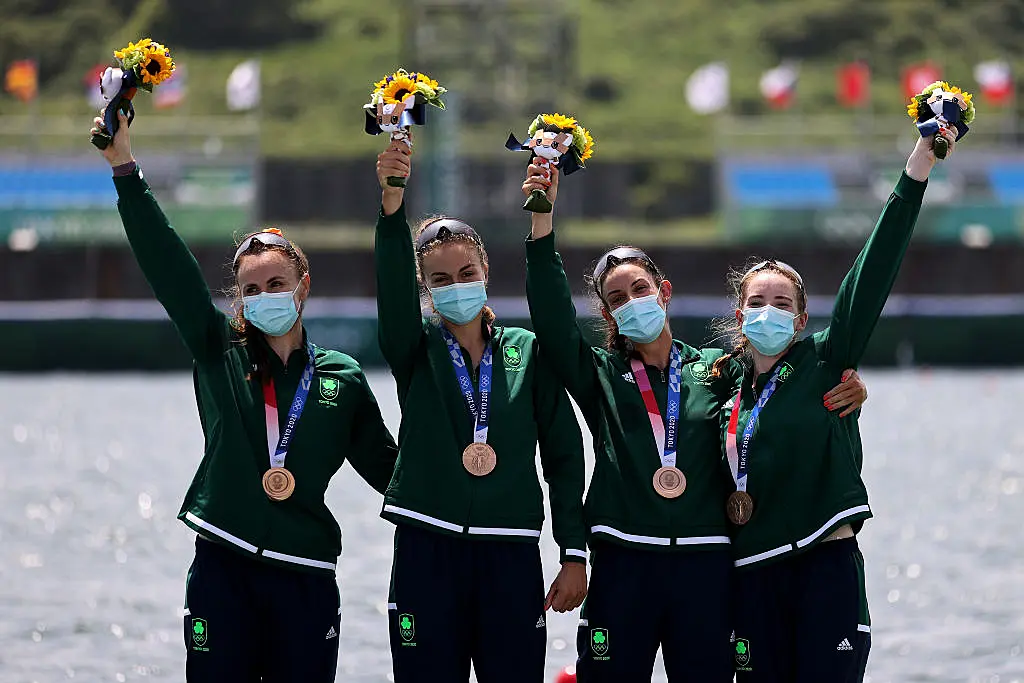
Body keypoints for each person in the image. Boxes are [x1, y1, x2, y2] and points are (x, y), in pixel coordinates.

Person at [522, 160, 868, 681]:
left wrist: (851, 391)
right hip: (624, 561)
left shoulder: (718, 368)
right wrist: (542, 225)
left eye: (640, 289)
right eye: (616, 299)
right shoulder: (599, 374)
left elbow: (776, 395)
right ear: (607, 316)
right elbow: (550, 317)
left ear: (663, 292)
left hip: (707, 566)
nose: (631, 303)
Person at [90, 111, 399, 682]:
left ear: (302, 288)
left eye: (276, 284)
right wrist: (124, 169)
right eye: (251, 289)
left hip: (305, 572)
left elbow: (394, 475)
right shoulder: (218, 350)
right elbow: (168, 265)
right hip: (223, 565)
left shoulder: (343, 378)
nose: (263, 296)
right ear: (238, 299)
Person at [709, 126, 958, 683]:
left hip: (825, 568)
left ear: (800, 320)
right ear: (739, 315)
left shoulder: (825, 360)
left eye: (782, 303)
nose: (768, 311)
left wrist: (920, 163)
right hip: (750, 576)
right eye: (756, 302)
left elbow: (872, 272)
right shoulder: (718, 378)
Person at [374, 141, 588, 682]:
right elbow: (392, 289)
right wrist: (392, 202)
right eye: (440, 280)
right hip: (428, 547)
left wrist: (573, 551)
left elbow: (564, 454)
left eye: (466, 272)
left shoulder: (527, 351)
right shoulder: (413, 346)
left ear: (486, 268)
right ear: (424, 286)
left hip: (511, 552)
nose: (456, 286)